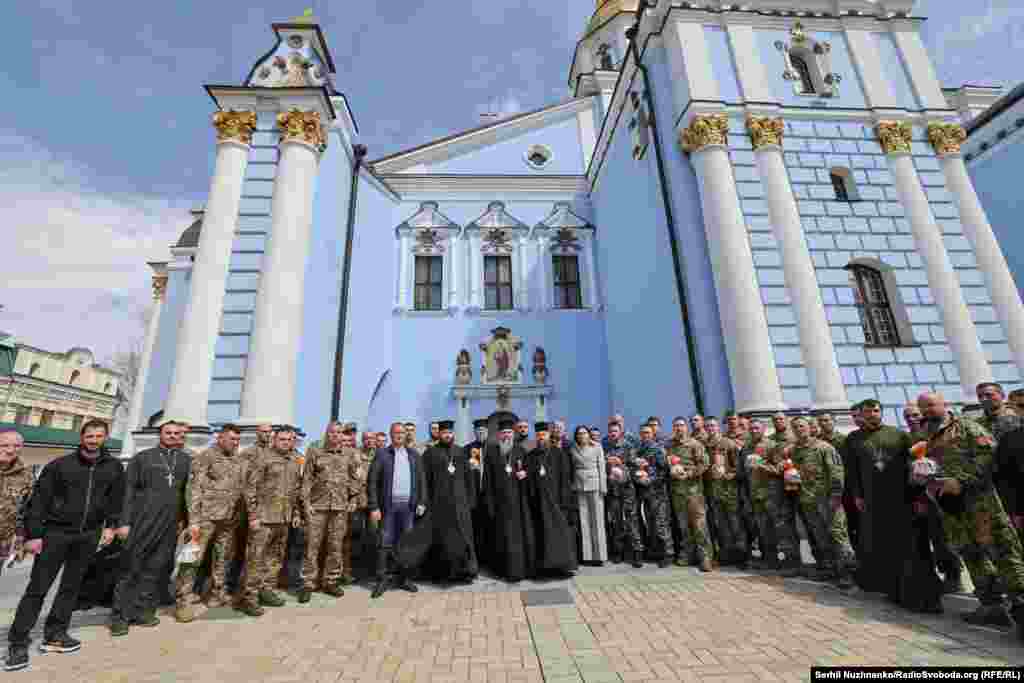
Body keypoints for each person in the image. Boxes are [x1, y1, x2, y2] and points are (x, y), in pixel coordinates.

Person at [5, 420, 125, 672]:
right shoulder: (59, 466)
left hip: (88, 536)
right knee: (37, 588)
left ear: (105, 437)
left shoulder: (113, 467)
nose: (93, 440)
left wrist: (112, 526)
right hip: (55, 534)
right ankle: (18, 641)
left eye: (99, 436)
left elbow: (116, 499)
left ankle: (56, 633)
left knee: (70, 588)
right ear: (82, 437)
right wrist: (34, 535)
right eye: (89, 435)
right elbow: (38, 502)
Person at [920, 391, 1024, 635]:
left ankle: (1020, 606)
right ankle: (991, 606)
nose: (926, 411)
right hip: (951, 508)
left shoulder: (967, 427)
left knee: (1003, 552)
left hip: (981, 503)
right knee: (970, 553)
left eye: (931, 405)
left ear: (943, 404)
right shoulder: (926, 435)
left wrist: (962, 481)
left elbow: (990, 457)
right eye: (923, 407)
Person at [110, 420, 192, 634]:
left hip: (170, 523)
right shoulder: (143, 458)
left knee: (156, 569)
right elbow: (127, 491)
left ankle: (143, 611)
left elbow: (189, 494)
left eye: (176, 433)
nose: (173, 436)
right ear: (160, 435)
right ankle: (120, 616)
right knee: (131, 568)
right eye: (168, 432)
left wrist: (188, 522)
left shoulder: (185, 460)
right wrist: (124, 522)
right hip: (142, 521)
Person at [173, 424, 247, 622]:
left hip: (228, 518)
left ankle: (216, 593)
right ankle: (183, 600)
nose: (236, 443)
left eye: (238, 440)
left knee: (222, 557)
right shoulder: (205, 456)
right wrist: (194, 520)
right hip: (206, 518)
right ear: (220, 438)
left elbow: (240, 488)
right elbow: (194, 488)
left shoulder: (238, 460)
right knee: (194, 559)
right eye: (232, 439)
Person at [844, 399, 914, 598]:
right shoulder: (854, 438)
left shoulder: (899, 435)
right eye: (867, 411)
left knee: (898, 540)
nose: (872, 414)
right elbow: (852, 470)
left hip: (899, 496)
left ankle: (901, 583)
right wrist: (856, 494)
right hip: (869, 497)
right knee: (872, 540)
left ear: (881, 412)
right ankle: (874, 583)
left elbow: (912, 463)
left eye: (875, 410)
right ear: (861, 414)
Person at [783, 417, 855, 588]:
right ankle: (831, 569)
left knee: (838, 535)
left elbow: (836, 473)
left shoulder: (824, 447)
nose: (799, 429)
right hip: (807, 500)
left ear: (810, 427)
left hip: (827, 500)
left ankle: (847, 573)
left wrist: (836, 496)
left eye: (802, 426)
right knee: (820, 537)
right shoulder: (793, 451)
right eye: (795, 427)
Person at [241, 427, 305, 612]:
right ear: (274, 440)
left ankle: (266, 590)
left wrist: (295, 513)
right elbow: (250, 488)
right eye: (282, 439)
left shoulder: (294, 460)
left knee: (275, 558)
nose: (287, 442)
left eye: (290, 439)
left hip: (283, 518)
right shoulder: (263, 458)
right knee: (255, 558)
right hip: (263, 518)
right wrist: (253, 515)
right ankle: (249, 598)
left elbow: (296, 490)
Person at [299, 421, 358, 602]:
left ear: (342, 435)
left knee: (335, 546)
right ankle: (308, 583)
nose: (335, 435)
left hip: (339, 508)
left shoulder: (349, 454)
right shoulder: (315, 451)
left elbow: (355, 478)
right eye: (332, 432)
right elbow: (307, 478)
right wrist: (305, 502)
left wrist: (353, 499)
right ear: (327, 433)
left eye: (339, 432)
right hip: (318, 507)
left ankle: (330, 581)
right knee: (312, 546)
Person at [367, 422, 427, 598]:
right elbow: (372, 481)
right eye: (396, 433)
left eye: (402, 433)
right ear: (391, 434)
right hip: (388, 508)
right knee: (384, 544)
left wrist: (422, 501)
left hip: (408, 508)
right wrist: (374, 506)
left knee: (406, 544)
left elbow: (422, 480)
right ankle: (382, 580)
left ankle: (404, 579)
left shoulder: (414, 455)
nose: (399, 435)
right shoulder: (382, 454)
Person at [420, 420, 478, 583]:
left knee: (463, 538)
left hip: (461, 505)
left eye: (450, 433)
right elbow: (424, 479)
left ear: (453, 434)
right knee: (443, 539)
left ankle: (465, 572)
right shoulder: (430, 453)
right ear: (439, 434)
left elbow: (469, 479)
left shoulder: (460, 452)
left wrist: (471, 500)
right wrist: (425, 501)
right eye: (444, 432)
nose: (447, 435)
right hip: (440, 505)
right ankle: (442, 574)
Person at [482, 420, 534, 581]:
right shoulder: (492, 452)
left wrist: (525, 475)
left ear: (514, 434)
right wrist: (489, 503)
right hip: (499, 503)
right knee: (501, 537)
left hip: (518, 503)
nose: (506, 436)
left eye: (509, 433)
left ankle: (519, 570)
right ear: (498, 435)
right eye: (503, 433)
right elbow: (487, 480)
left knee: (518, 537)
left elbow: (528, 472)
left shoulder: (520, 451)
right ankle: (502, 570)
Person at [229, 424, 273, 596]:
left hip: (266, 509)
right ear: (257, 433)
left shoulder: (272, 452)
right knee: (239, 549)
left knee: (259, 551)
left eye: (269, 432)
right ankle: (233, 583)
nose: (266, 434)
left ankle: (258, 585)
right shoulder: (248, 453)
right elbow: (240, 476)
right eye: (263, 431)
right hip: (246, 507)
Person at [527, 423, 576, 576]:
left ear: (549, 436)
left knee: (559, 535)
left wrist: (564, 502)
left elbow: (565, 479)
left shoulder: (558, 454)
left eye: (544, 435)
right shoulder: (531, 456)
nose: (541, 438)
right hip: (539, 503)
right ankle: (544, 567)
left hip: (557, 502)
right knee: (541, 535)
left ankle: (561, 567)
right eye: (539, 435)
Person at [665, 417, 712, 571]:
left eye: (681, 425)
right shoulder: (669, 446)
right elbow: (667, 463)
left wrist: (690, 474)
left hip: (693, 491)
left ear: (686, 428)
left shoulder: (695, 444)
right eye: (676, 426)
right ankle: (688, 555)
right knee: (683, 525)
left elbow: (704, 463)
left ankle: (705, 557)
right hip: (677, 491)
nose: (679, 428)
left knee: (699, 525)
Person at [630, 425, 673, 567]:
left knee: (661, 523)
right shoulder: (637, 450)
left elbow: (664, 471)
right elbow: (632, 468)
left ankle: (667, 553)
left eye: (647, 432)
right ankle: (652, 551)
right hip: (642, 492)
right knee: (648, 523)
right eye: (642, 433)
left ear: (653, 434)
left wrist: (651, 480)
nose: (645, 435)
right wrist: (638, 478)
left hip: (657, 492)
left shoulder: (658, 449)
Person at [571, 425, 607, 566]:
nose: (582, 435)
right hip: (580, 486)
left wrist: (603, 487)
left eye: (584, 433)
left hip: (595, 484)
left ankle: (599, 555)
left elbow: (602, 467)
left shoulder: (597, 447)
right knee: (584, 521)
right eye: (579, 434)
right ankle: (587, 556)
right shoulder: (573, 448)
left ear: (588, 434)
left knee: (597, 521)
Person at [0, 428, 34, 572]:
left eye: (16, 446)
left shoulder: (26, 475)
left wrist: (22, 540)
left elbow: (27, 509)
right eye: (5, 445)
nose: (10, 450)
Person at [603, 421, 635, 565]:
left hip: (626, 489)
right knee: (615, 521)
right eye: (611, 431)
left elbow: (635, 465)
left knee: (631, 520)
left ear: (621, 431)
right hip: (613, 490)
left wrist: (620, 463)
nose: (613, 433)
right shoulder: (605, 446)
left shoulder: (628, 446)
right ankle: (618, 552)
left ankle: (633, 551)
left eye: (615, 431)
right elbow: (601, 464)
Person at [466, 419, 490, 569]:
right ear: (474, 432)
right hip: (474, 495)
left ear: (487, 432)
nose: (481, 433)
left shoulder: (494, 448)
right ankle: (477, 559)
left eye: (483, 431)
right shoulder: (467, 449)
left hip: (489, 495)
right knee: (476, 528)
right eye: (478, 431)